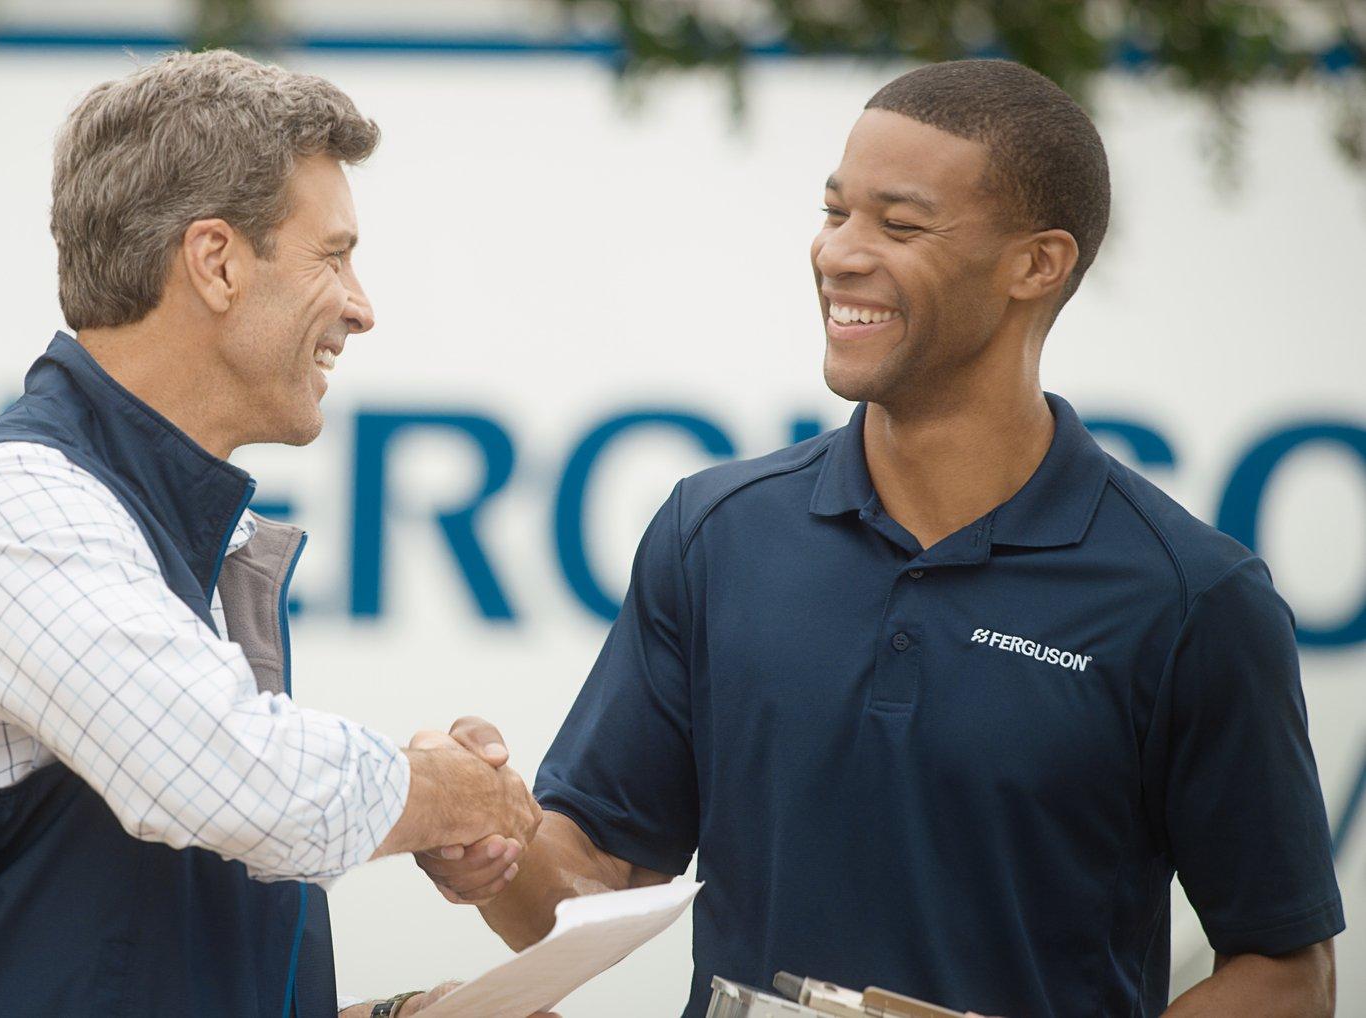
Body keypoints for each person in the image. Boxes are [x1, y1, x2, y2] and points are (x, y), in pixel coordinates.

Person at [415, 60, 1341, 1017]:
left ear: (1038, 263)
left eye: (899, 225)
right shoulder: (715, 533)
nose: (840, 255)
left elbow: (1287, 971)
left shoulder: (1193, 598)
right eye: (833, 212)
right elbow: (592, 884)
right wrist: (494, 842)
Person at [0, 50, 539, 1017]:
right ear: (217, 261)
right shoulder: (9, 501)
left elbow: (139, 954)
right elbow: (230, 782)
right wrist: (443, 793)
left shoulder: (169, 533)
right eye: (333, 254)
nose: (361, 306)